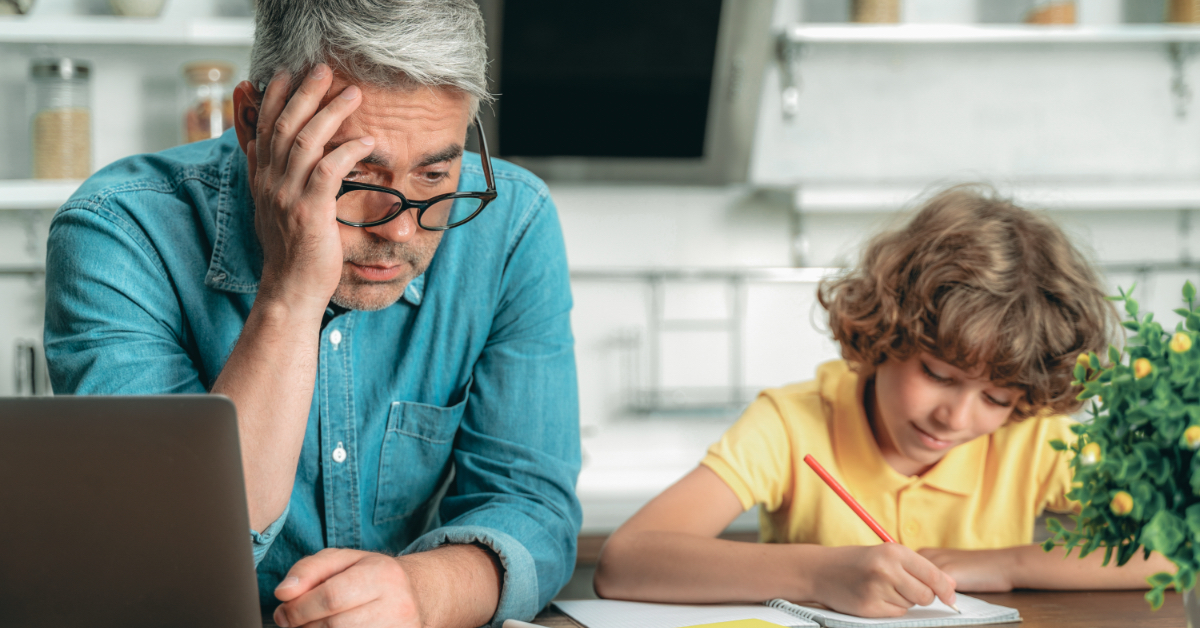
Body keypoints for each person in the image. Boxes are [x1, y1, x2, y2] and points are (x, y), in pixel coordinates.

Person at [43, 1, 581, 627]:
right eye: (353, 174)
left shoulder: (512, 224)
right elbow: (156, 561)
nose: (402, 230)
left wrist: (422, 592)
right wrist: (291, 291)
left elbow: (531, 504)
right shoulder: (118, 234)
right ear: (253, 121)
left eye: (435, 173)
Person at [592, 186, 1174, 617]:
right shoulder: (792, 424)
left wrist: (1004, 562)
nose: (957, 416)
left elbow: (1175, 547)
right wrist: (820, 574)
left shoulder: (1032, 436)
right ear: (886, 334)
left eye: (996, 396)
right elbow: (627, 560)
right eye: (938, 373)